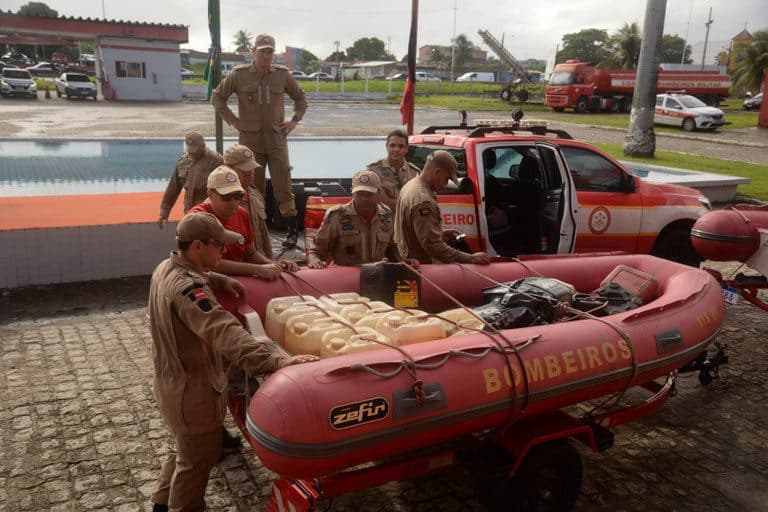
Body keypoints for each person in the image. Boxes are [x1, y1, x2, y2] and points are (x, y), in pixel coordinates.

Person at [148, 212, 317, 512]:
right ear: (198, 246)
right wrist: (275, 360)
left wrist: (220, 278)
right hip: (193, 391)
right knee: (196, 462)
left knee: (183, 448)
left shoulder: (166, 268)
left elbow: (193, 277)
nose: (223, 251)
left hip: (170, 383)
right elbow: (225, 332)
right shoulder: (188, 291)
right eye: (218, 245)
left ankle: (160, 503)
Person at [212, 33, 308, 248]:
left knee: (283, 184)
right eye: (263, 51)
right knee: (253, 188)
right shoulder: (239, 75)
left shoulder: (282, 75)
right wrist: (233, 120)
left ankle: (292, 231)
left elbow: (301, 98)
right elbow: (217, 97)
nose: (266, 55)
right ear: (254, 51)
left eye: (270, 51)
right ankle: (257, 230)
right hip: (250, 142)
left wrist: (294, 121)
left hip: (276, 140)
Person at [188, 166, 296, 279]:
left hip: (240, 280)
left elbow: (250, 254)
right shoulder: (197, 219)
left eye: (238, 195)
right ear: (210, 193)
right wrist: (256, 269)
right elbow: (208, 264)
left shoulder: (242, 214)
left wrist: (275, 266)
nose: (233, 203)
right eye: (226, 197)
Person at [394, 150, 490, 265]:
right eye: (446, 178)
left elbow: (414, 232)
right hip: (419, 268)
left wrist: (440, 234)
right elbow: (433, 246)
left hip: (407, 262)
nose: (446, 184)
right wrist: (470, 258)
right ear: (437, 172)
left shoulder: (411, 185)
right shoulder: (423, 201)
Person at [307, 170, 416, 268]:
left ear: (379, 193)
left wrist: (402, 261)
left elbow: (391, 248)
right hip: (346, 277)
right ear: (352, 192)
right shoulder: (336, 216)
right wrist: (315, 261)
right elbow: (315, 251)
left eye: (369, 194)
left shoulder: (386, 215)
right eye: (360, 194)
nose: (364, 198)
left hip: (377, 275)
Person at [157, 132, 223, 229]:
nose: (192, 153)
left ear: (203, 146)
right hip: (188, 212)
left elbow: (223, 189)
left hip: (209, 212)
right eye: (190, 150)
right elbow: (173, 187)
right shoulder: (183, 161)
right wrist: (164, 212)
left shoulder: (215, 161)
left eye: (195, 150)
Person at [223, 144, 274, 260]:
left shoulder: (255, 195)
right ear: (229, 170)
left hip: (259, 261)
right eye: (244, 170)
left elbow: (263, 233)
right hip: (238, 266)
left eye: (252, 168)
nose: (250, 173)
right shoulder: (223, 200)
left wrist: (271, 261)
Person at [364, 128, 420, 212]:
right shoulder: (373, 171)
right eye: (392, 145)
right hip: (382, 219)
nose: (396, 149)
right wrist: (405, 205)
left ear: (407, 148)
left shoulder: (415, 173)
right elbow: (373, 200)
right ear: (387, 146)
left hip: (405, 220)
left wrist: (385, 200)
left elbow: (417, 204)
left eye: (401, 146)